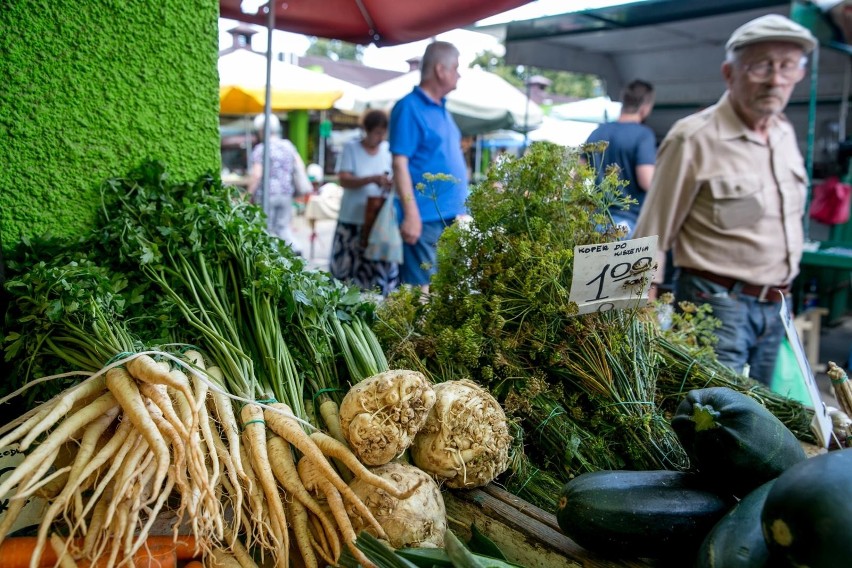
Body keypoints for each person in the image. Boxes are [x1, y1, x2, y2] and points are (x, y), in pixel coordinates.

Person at [634, 14, 817, 385]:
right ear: (729, 73)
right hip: (713, 304)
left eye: (788, 66)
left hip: (778, 307)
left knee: (767, 425)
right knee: (717, 419)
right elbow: (650, 235)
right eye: (761, 66)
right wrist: (638, 319)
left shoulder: (783, 133)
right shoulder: (694, 137)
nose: (775, 79)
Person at [389, 41, 469, 293]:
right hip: (424, 218)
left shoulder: (443, 109)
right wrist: (411, 214)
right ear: (440, 70)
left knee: (439, 290)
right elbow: (399, 164)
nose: (459, 73)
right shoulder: (409, 107)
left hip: (446, 216)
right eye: (455, 67)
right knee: (420, 294)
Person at [329, 110, 397, 295]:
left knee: (375, 274)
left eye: (383, 132)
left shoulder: (387, 150)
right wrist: (370, 179)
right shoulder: (352, 148)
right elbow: (343, 179)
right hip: (351, 218)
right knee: (346, 271)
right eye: (376, 132)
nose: (380, 137)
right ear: (366, 130)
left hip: (377, 220)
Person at [585, 80, 657, 237]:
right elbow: (647, 181)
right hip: (626, 224)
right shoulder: (643, 135)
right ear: (645, 107)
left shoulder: (598, 132)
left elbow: (578, 175)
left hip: (594, 220)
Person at [247, 113, 311, 251]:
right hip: (286, 194)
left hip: (266, 195)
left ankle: (269, 258)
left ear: (262, 130)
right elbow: (300, 165)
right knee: (283, 227)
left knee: (265, 228)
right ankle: (295, 249)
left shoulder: (261, 149)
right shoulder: (288, 145)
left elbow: (257, 175)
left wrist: (248, 195)